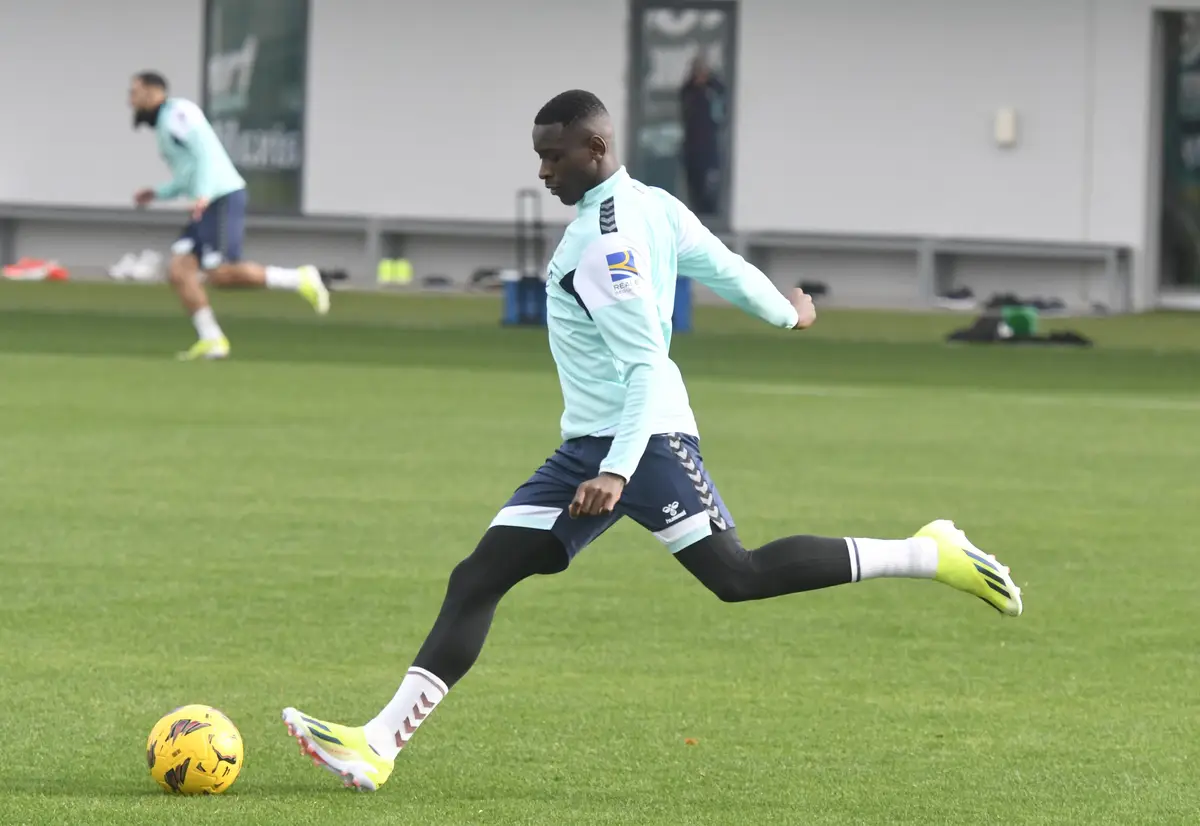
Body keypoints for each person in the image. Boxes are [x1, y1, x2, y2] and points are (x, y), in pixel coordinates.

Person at [281, 90, 1024, 792]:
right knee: (478, 577)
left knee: (739, 575)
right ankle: (377, 746)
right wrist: (787, 315)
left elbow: (647, 365)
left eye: (554, 157)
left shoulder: (608, 248)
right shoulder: (652, 206)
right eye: (538, 156)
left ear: (596, 147)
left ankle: (931, 553)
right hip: (594, 447)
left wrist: (616, 469)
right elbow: (725, 268)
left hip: (641, 444)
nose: (541, 171)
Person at [128, 71, 330, 360]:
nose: (131, 100)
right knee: (180, 271)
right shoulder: (164, 126)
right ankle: (212, 339)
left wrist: (205, 195)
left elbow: (206, 154)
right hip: (208, 200)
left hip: (221, 198)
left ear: (152, 92)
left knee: (221, 274)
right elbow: (188, 174)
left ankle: (299, 279)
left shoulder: (178, 113)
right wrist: (158, 192)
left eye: (134, 93)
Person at [679, 54, 725, 217]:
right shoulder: (689, 92)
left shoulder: (712, 92)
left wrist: (711, 80)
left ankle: (710, 214)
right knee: (694, 186)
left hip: (709, 148)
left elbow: (723, 93)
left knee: (710, 187)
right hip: (692, 149)